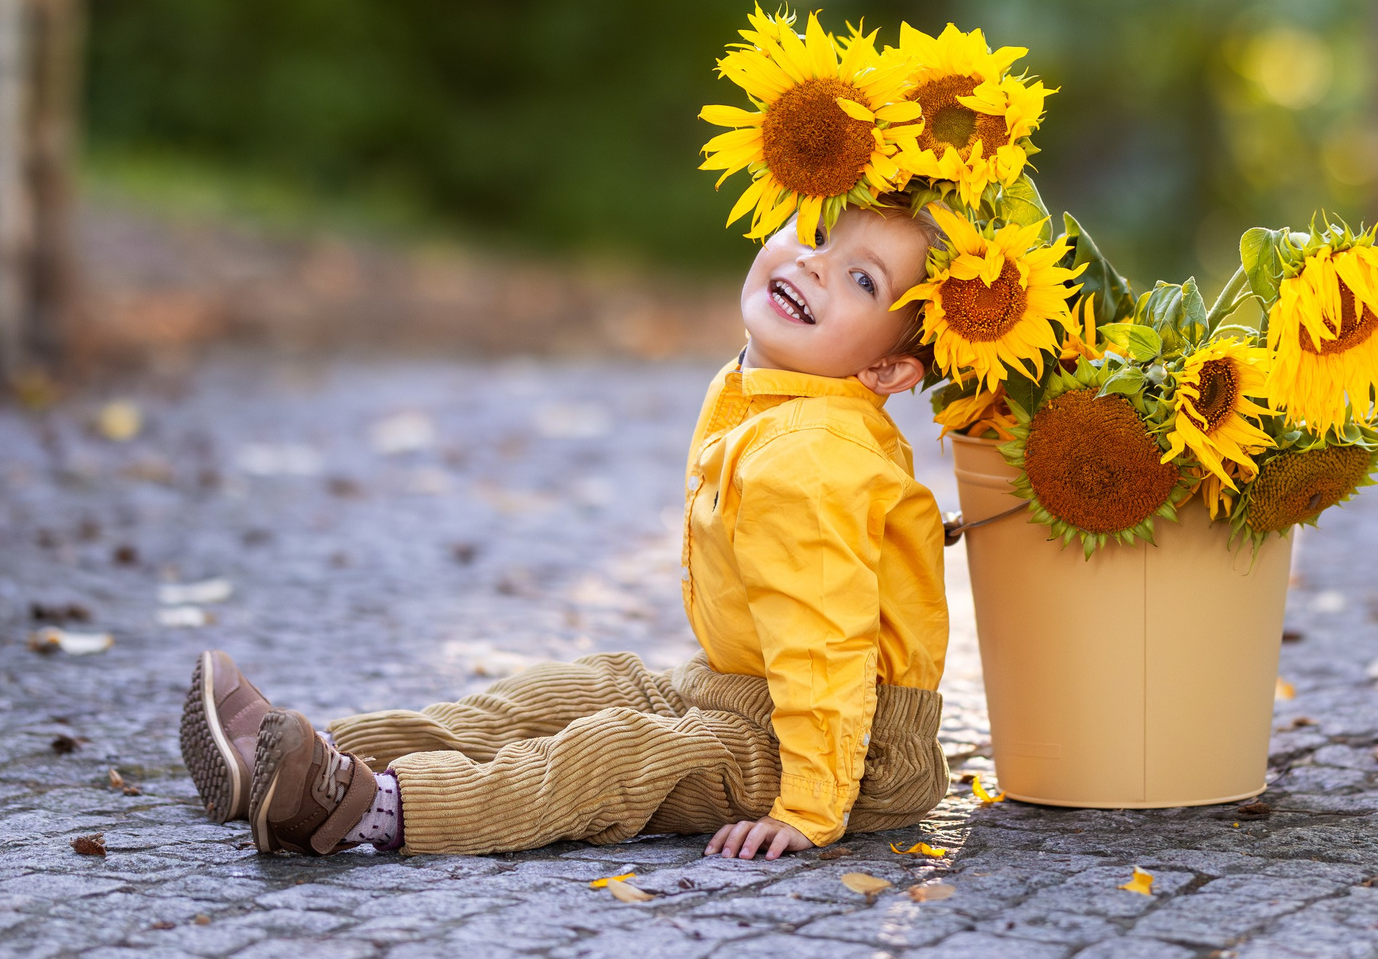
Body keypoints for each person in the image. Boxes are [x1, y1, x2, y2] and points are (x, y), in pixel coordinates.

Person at [179, 201, 951, 861]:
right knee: (564, 692)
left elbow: (826, 650)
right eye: (814, 231)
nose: (816, 265)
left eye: (862, 278)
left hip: (849, 750)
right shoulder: (767, 393)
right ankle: (298, 754)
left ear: (885, 371)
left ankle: (369, 806)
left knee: (618, 751)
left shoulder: (816, 457)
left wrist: (811, 806)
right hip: (739, 690)